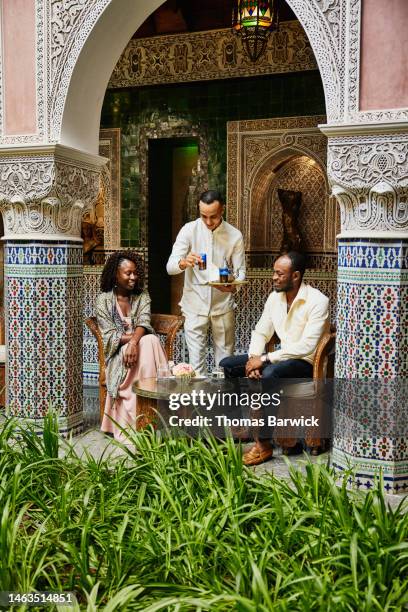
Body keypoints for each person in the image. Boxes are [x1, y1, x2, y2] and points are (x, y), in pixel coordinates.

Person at [220, 251, 329, 466]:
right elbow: (261, 332)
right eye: (274, 273)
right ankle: (239, 429)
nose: (274, 277)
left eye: (280, 274)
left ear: (295, 276)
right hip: (279, 359)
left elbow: (307, 346)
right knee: (229, 366)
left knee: (270, 374)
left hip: (305, 362)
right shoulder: (274, 298)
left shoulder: (318, 301)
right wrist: (253, 360)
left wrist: (266, 359)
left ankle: (264, 444)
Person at [166, 190, 245, 375]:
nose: (209, 222)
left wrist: (234, 287)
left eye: (214, 217)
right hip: (194, 306)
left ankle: (223, 403)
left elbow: (241, 272)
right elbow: (170, 267)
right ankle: (198, 404)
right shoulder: (189, 230)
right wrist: (184, 262)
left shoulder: (235, 235)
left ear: (222, 210)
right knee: (196, 367)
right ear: (198, 210)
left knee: (225, 365)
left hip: (223, 306)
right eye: (204, 216)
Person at [96, 250, 168, 441]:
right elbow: (110, 336)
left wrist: (134, 342)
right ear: (115, 274)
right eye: (128, 273)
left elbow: (144, 322)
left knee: (149, 340)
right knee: (148, 340)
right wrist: (134, 340)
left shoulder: (142, 296)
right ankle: (139, 416)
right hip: (118, 356)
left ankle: (147, 409)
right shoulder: (103, 300)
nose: (133, 277)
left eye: (135, 273)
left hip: (141, 351)